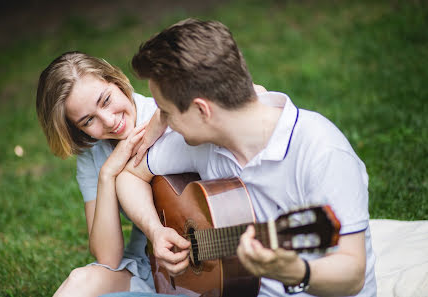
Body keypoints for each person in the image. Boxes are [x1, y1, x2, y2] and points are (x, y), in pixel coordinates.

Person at [111, 18, 377, 297]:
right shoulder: (201, 141)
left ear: (202, 110)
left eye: (164, 111)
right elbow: (131, 175)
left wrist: (298, 272)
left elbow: (353, 273)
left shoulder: (321, 150)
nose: (161, 123)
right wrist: (155, 231)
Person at [36, 51, 168, 297]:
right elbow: (107, 258)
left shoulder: (167, 117)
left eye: (105, 100)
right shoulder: (92, 152)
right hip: (149, 264)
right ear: (76, 130)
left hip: (206, 262)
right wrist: (107, 174)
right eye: (88, 121)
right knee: (80, 280)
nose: (108, 121)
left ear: (117, 82)